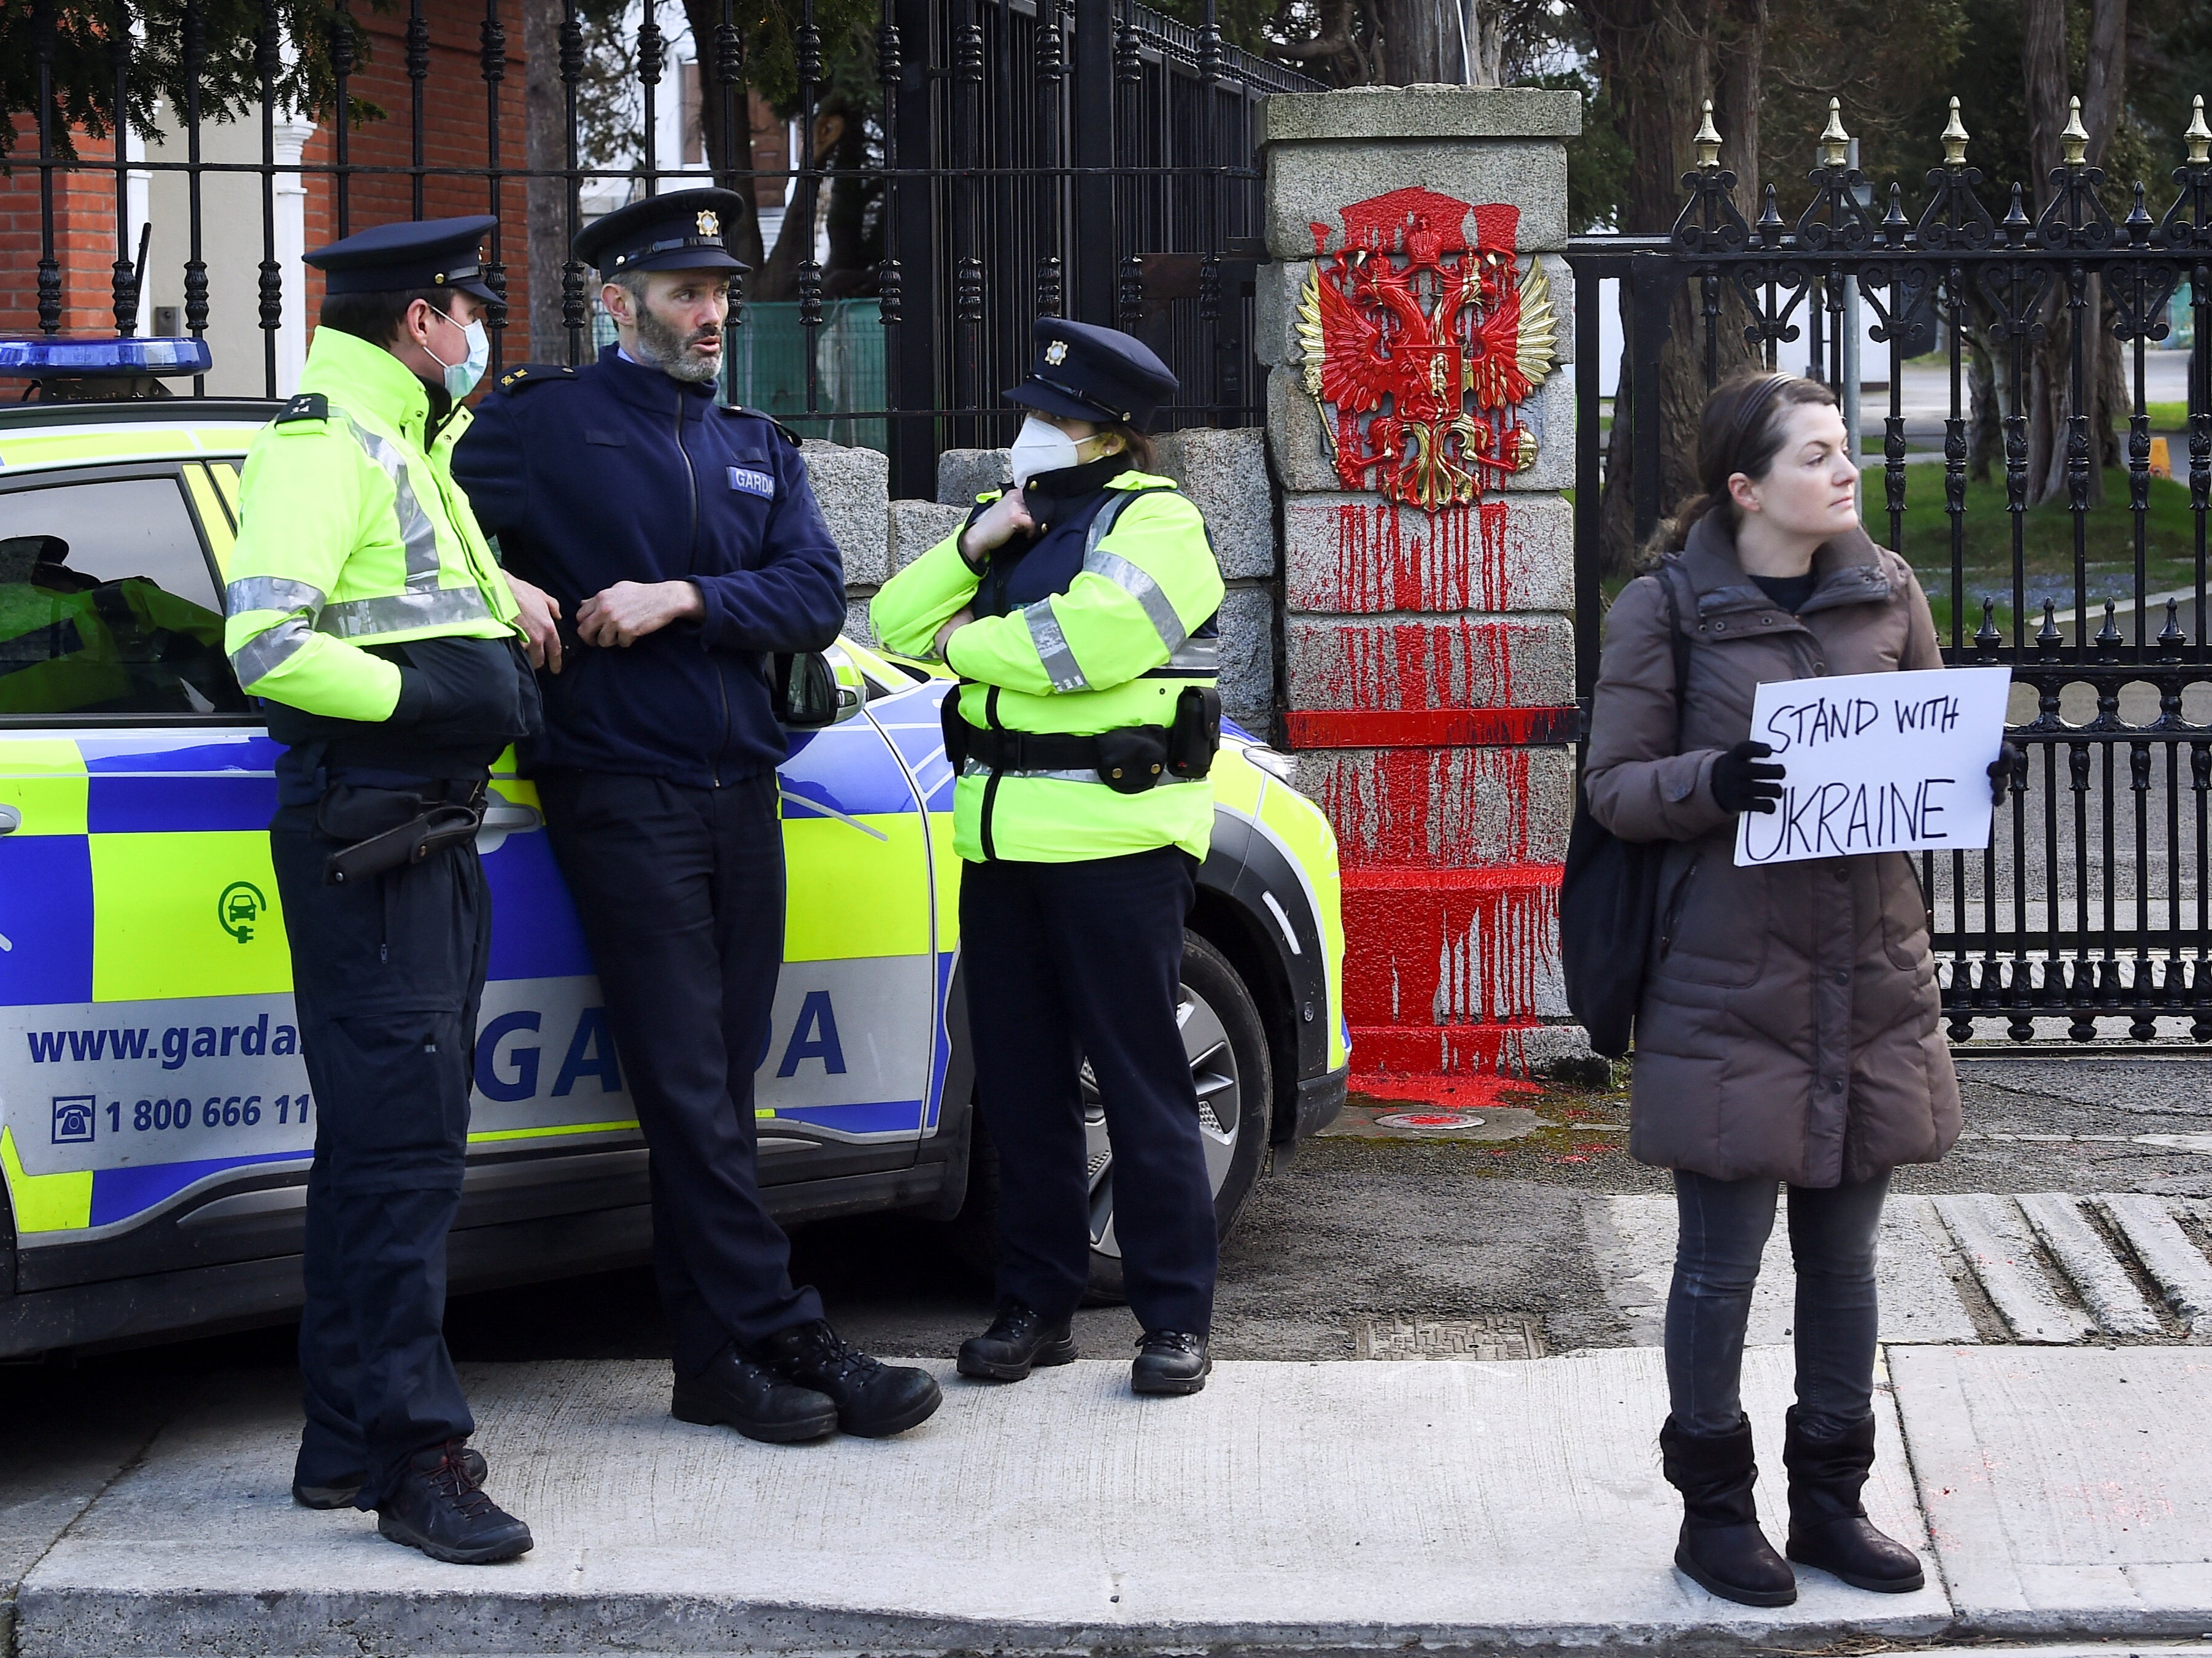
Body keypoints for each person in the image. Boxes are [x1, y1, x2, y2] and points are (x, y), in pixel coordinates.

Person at [450, 188, 942, 1443]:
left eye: (720, 291)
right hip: (617, 788)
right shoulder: (539, 425)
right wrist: (500, 579)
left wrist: (679, 597)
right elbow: (417, 510)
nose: (713, 312)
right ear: (618, 304)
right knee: (683, 1082)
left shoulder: (756, 443)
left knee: (719, 1084)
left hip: (743, 792)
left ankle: (711, 1365)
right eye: (685, 293)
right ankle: (789, 1329)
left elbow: (813, 594)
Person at [1584, 372, 2013, 1608]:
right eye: (1816, 454)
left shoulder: (1885, 588)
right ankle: (1712, 1512)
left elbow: (1936, 745)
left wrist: (1972, 762)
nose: (1844, 472)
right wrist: (1717, 780)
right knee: (1718, 1264)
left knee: (1846, 1262)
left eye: (1845, 450)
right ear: (1742, 485)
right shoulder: (1662, 610)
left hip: (1866, 974)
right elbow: (1613, 788)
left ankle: (1829, 1500)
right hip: (1727, 979)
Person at [223, 215, 540, 1564]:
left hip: (417, 838)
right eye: (469, 310)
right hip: (376, 841)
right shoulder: (326, 441)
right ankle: (420, 1458)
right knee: (405, 1165)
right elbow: (266, 640)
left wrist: (495, 613)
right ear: (421, 318)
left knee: (374, 1158)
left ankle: (344, 1438)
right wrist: (421, 698)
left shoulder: (404, 441)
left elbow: (413, 597)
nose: (477, 335)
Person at [870, 318, 1228, 1397]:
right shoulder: (1015, 524)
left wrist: (962, 647)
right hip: (1001, 845)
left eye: (1049, 418)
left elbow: (1086, 645)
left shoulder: (1161, 523)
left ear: (1107, 434)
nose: (1027, 431)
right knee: (1022, 1092)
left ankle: (1174, 1318)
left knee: (1141, 1083)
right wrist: (979, 545)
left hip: (1117, 847)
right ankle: (1036, 1304)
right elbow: (890, 617)